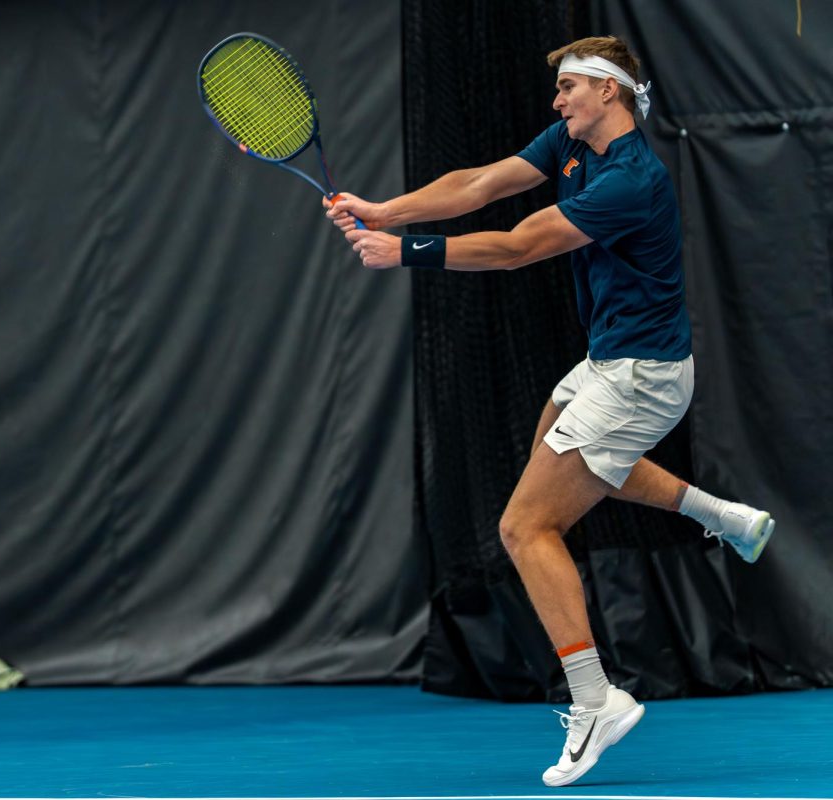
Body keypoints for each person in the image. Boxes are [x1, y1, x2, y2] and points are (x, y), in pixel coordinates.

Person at [324, 36, 776, 787]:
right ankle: (723, 516)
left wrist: (406, 254)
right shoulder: (569, 143)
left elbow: (517, 247)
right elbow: (479, 185)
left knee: (525, 526)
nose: (558, 100)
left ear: (610, 93)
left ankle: (598, 699)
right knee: (572, 464)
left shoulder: (632, 179)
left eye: (569, 88)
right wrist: (384, 210)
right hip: (611, 363)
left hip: (641, 375)